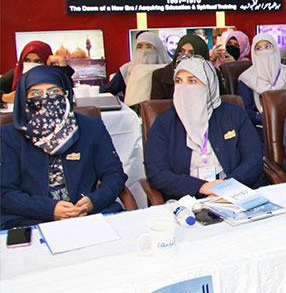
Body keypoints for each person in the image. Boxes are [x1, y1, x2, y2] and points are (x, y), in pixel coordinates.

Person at [1, 65, 128, 229]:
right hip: (31, 219)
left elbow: (114, 174)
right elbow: (5, 192)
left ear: (66, 94)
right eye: (35, 94)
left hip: (88, 215)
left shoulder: (91, 126)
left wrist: (93, 202)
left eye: (54, 92)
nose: (46, 99)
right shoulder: (9, 135)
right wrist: (50, 210)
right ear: (24, 99)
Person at [144, 57, 263, 200]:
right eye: (179, 81)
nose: (184, 87)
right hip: (187, 198)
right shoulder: (164, 123)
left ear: (209, 85)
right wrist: (201, 187)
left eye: (192, 81)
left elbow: (253, 158)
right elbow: (157, 172)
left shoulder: (234, 114)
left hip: (234, 190)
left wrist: (226, 186)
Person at [236, 33, 286, 136]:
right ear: (254, 52)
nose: (264, 51)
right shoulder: (246, 79)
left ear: (275, 49)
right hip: (260, 131)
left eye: (268, 47)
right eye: (259, 48)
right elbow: (245, 110)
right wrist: (263, 117)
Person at [101, 31, 171, 106]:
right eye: (139, 47)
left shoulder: (169, 69)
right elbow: (107, 93)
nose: (144, 51)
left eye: (149, 47)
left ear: (159, 49)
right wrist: (124, 100)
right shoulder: (127, 69)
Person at [150, 34, 223, 101]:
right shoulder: (161, 75)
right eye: (181, 51)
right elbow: (157, 107)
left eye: (191, 53)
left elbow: (220, 101)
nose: (185, 56)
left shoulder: (212, 74)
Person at [1, 41, 74, 104]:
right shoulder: (15, 74)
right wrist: (4, 97)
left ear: (47, 61)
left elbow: (68, 92)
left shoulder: (53, 75)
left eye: (38, 61)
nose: (31, 64)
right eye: (27, 60)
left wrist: (62, 63)